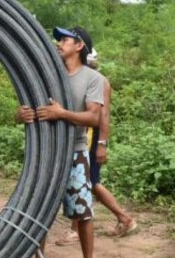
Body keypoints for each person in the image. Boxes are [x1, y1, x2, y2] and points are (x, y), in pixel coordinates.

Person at [17, 26, 104, 258]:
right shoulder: (47, 75)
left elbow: (94, 118)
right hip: (46, 153)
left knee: (83, 212)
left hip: (76, 151)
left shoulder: (92, 78)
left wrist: (61, 114)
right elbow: (29, 109)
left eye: (64, 39)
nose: (59, 43)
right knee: (40, 209)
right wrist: (20, 115)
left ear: (79, 46)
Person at [55, 48, 137, 246]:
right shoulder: (76, 78)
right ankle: (116, 220)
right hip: (87, 137)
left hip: (90, 139)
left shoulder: (97, 80)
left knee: (90, 183)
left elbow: (103, 115)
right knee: (87, 183)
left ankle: (124, 219)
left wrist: (102, 144)